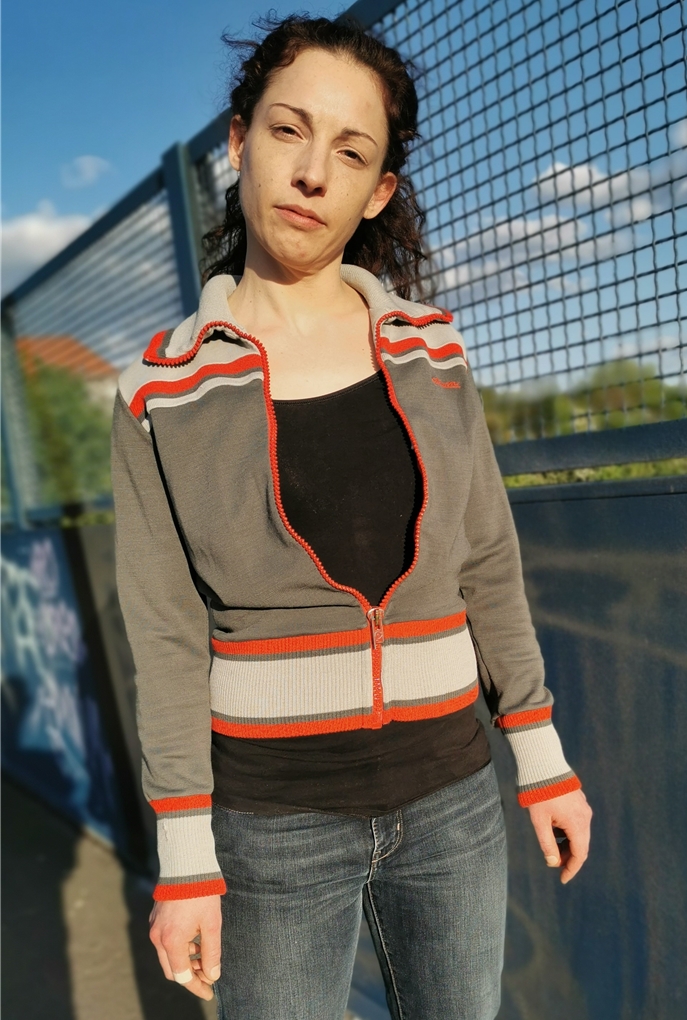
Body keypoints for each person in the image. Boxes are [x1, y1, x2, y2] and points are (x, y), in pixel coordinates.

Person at [111, 13, 592, 1020]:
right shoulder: (159, 389)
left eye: (350, 151)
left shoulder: (433, 352)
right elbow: (165, 631)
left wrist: (543, 762)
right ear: (239, 142)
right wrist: (186, 855)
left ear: (377, 191)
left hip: (454, 804)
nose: (310, 173)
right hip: (270, 826)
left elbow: (487, 562)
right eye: (288, 130)